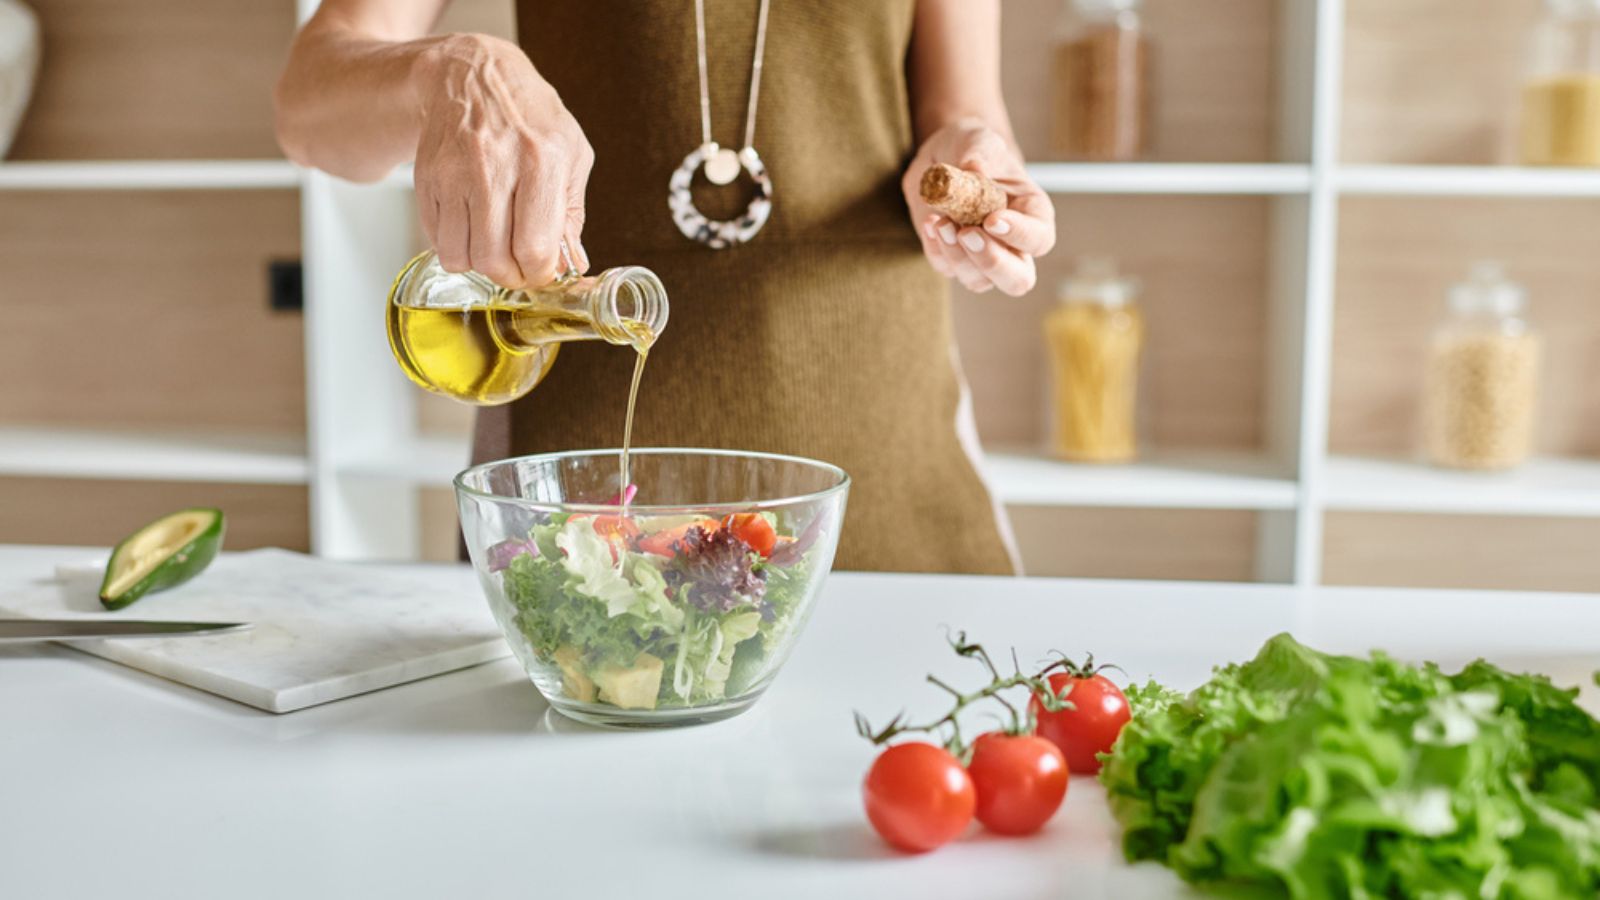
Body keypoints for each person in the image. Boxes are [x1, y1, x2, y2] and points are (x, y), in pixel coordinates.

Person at [276, 0, 1056, 574]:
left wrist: (976, 159)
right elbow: (307, 107)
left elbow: (962, 110)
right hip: (578, 506)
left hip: (891, 459)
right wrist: (448, 69)